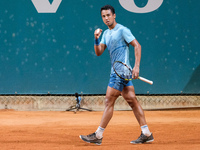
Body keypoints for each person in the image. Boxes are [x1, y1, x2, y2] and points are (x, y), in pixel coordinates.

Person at [79, 5, 154, 145]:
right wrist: (96, 38)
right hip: (121, 73)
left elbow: (137, 46)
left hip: (119, 73)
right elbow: (98, 52)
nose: (106, 18)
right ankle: (146, 133)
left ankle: (98, 135)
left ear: (114, 15)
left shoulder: (123, 30)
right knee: (132, 100)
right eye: (103, 16)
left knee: (108, 101)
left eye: (108, 15)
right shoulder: (106, 34)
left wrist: (137, 66)